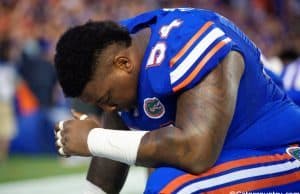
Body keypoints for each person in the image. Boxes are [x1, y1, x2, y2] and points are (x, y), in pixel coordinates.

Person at [54, 8, 300, 193]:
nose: (108, 109)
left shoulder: (188, 40)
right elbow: (115, 148)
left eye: (107, 98)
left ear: (123, 64)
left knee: (173, 187)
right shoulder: (118, 51)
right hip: (235, 153)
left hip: (283, 152)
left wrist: (92, 138)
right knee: (160, 174)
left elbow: (196, 152)